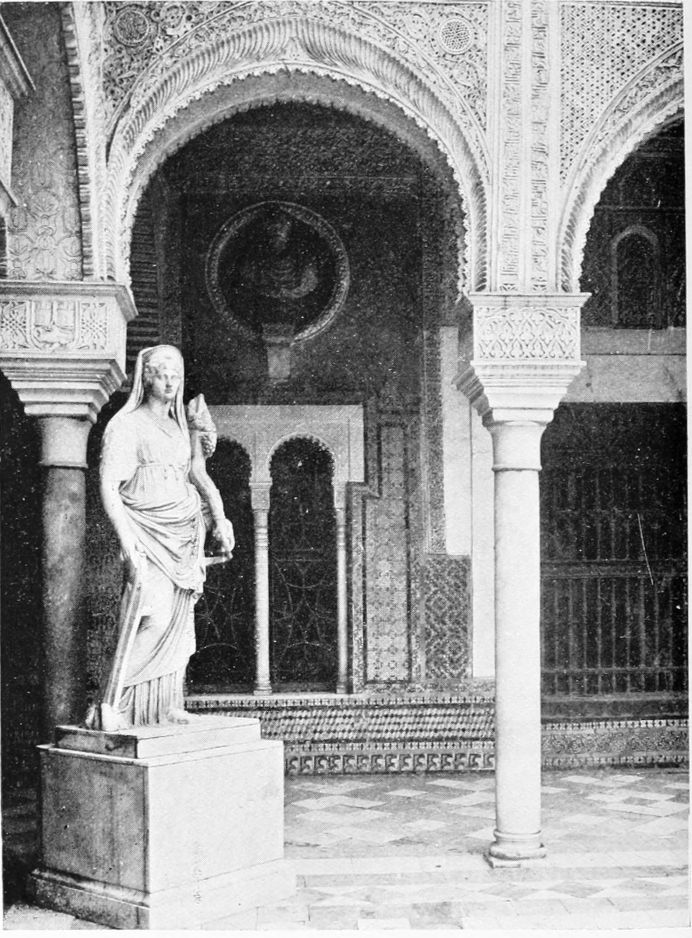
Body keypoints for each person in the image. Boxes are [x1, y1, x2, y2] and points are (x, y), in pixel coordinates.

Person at [87, 345, 234, 731]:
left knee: (180, 628)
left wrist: (220, 517)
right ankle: (108, 703)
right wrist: (126, 539)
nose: (170, 382)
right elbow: (109, 485)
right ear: (146, 377)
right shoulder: (127, 424)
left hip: (184, 532)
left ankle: (165, 706)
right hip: (147, 531)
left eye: (175, 375)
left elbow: (197, 474)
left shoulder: (179, 426)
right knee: (153, 619)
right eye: (161, 374)